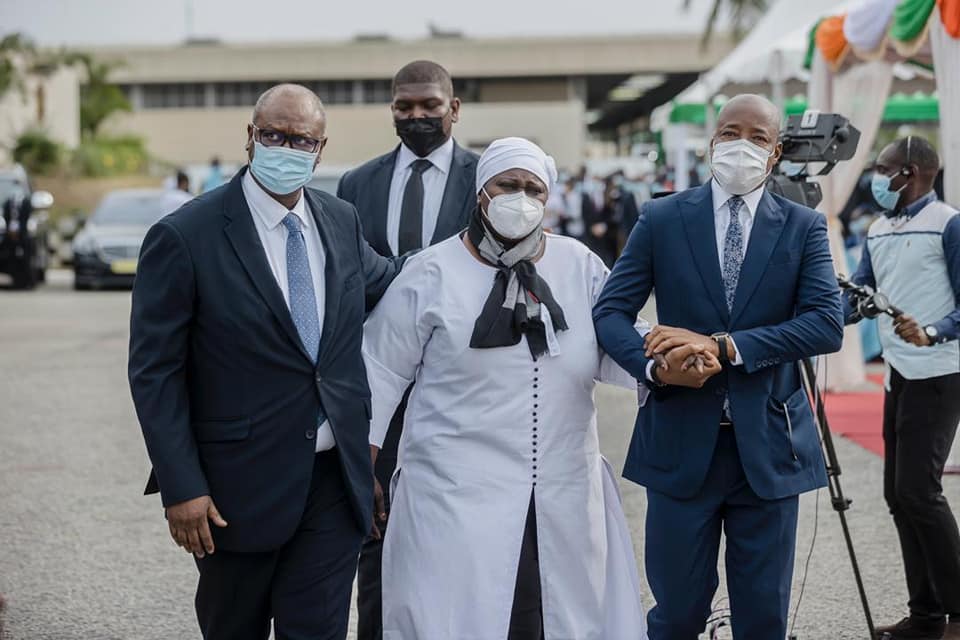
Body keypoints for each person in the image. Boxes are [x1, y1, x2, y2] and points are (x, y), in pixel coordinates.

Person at [128, 83, 402, 640]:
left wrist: (478, 247)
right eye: (274, 134)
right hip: (235, 489)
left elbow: (393, 279)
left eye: (302, 139)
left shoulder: (340, 220)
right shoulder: (185, 236)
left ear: (320, 148)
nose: (287, 146)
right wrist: (182, 486)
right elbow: (155, 372)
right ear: (251, 138)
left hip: (332, 482)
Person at [362, 137, 653, 639]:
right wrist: (360, 472)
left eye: (533, 189)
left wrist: (677, 358)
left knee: (554, 618)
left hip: (561, 492)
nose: (521, 198)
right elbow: (378, 375)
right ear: (482, 193)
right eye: (508, 185)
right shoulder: (428, 272)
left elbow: (620, 346)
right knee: (455, 619)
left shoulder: (579, 266)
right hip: (451, 496)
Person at [594, 94, 844, 640]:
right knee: (676, 614)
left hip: (769, 448)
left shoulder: (802, 226)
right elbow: (611, 312)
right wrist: (656, 368)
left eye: (757, 139)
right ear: (713, 143)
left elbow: (827, 323)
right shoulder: (662, 217)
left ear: (775, 153)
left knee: (763, 619)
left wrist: (725, 347)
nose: (742, 147)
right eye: (731, 133)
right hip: (680, 442)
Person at [335, 59, 479, 640]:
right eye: (404, 107)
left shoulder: (486, 178)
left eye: (429, 106)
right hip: (381, 383)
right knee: (376, 529)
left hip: (462, 386)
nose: (416, 116)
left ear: (454, 109)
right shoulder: (356, 184)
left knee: (462, 532)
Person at [846, 136, 960, 640]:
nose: (876, 178)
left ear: (908, 173)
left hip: (940, 371)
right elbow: (862, 291)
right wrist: (847, 302)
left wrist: (932, 330)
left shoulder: (949, 224)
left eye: (882, 169)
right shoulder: (876, 229)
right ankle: (927, 616)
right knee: (898, 494)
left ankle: (958, 613)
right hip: (898, 373)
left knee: (919, 490)